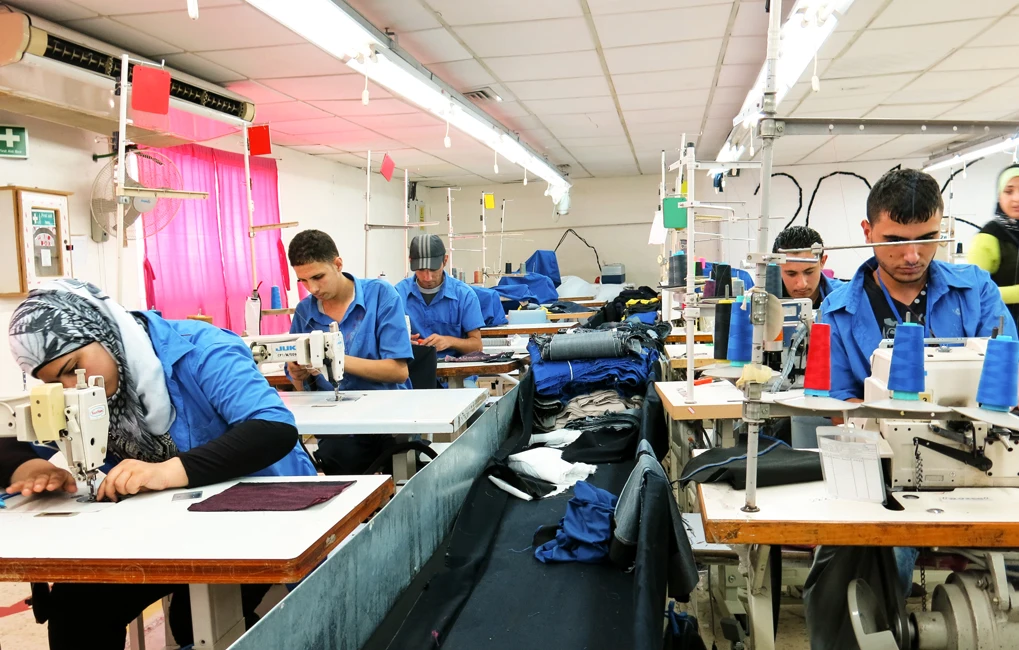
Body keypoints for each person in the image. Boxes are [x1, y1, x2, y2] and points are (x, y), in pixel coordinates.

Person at [0, 279, 316, 650]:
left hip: (260, 513)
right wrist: (29, 469)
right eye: (55, 384)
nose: (71, 389)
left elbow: (273, 429)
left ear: (104, 332)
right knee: (77, 607)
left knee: (195, 618)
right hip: (163, 526)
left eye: (74, 369)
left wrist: (167, 472)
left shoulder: (203, 349)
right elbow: (10, 437)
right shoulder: (80, 391)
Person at [804, 169, 1017, 650]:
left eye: (927, 239)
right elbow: (840, 407)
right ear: (867, 232)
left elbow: (1007, 380)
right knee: (862, 561)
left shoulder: (976, 291)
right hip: (884, 472)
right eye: (895, 241)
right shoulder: (838, 311)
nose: (912, 256)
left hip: (983, 461)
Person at [287, 229, 413, 474]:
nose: (312, 288)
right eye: (303, 281)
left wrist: (335, 359)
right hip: (335, 422)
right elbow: (301, 386)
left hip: (386, 415)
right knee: (335, 457)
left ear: (338, 264)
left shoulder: (381, 296)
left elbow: (398, 371)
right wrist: (298, 374)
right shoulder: (304, 312)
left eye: (318, 277)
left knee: (367, 459)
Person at [396, 234, 486, 358]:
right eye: (421, 270)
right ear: (410, 261)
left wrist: (450, 341)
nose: (427, 277)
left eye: (433, 269)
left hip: (455, 367)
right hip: (412, 367)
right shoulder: (397, 295)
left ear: (445, 261)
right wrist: (401, 343)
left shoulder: (465, 296)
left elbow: (477, 346)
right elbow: (383, 341)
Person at [968, 163, 1019, 323]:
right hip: (1003, 326)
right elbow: (975, 291)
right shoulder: (988, 237)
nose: (1016, 198)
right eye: (1009, 191)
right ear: (999, 196)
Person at [772, 225, 843, 309]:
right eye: (791, 274)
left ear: (822, 262)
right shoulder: (762, 301)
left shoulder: (844, 296)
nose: (802, 285)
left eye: (809, 272)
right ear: (777, 267)